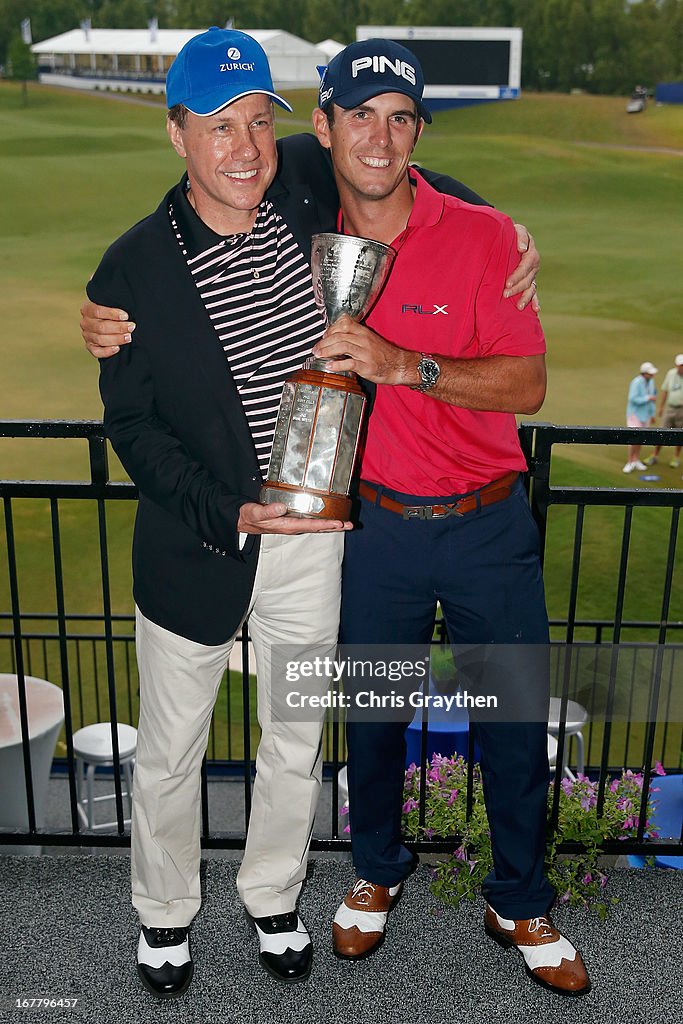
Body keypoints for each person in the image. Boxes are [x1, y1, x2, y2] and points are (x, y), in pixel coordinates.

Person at [81, 28, 540, 999]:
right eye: (218, 127)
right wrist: (232, 512)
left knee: (293, 737)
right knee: (170, 754)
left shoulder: (297, 196)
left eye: (257, 121)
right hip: (203, 543)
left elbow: (387, 161)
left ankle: (272, 895)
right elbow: (134, 430)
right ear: (176, 135)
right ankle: (164, 915)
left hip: (317, 539)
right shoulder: (128, 274)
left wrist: (502, 224)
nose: (243, 147)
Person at [307, 39, 590, 996]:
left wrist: (404, 365)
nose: (379, 137)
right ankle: (376, 872)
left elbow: (531, 384)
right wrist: (108, 304)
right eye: (360, 115)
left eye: (399, 118)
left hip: (485, 523)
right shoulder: (298, 217)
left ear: (418, 131)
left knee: (511, 721)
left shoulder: (484, 237)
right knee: (374, 715)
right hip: (376, 526)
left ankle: (519, 895)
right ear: (325, 127)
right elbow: (197, 190)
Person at [645, 354, 683, 469]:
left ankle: (676, 457)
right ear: (677, 365)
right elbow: (665, 390)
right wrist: (661, 407)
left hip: (682, 410)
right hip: (670, 408)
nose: (682, 367)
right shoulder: (671, 374)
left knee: (680, 434)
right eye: (680, 365)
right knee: (662, 432)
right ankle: (654, 455)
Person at [623, 361, 657, 473]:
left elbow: (653, 399)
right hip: (635, 414)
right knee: (634, 439)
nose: (652, 375)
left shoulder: (651, 382)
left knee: (641, 438)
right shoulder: (636, 382)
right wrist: (647, 398)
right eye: (650, 373)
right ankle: (630, 461)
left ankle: (636, 459)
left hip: (645, 414)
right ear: (644, 373)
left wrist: (652, 414)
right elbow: (632, 399)